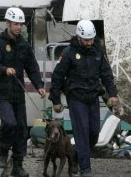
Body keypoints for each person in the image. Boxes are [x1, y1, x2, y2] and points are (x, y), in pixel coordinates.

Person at [49, 20, 118, 176]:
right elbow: (57, 77)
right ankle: (85, 169)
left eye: (92, 39)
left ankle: (75, 156)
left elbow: (106, 74)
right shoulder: (69, 53)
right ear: (79, 37)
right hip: (76, 98)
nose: (90, 42)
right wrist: (56, 100)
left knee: (94, 133)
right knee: (81, 132)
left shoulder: (98, 52)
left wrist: (112, 94)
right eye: (86, 40)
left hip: (93, 97)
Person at [0, 7, 45, 177]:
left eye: (21, 24)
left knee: (21, 129)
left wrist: (39, 85)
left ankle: (18, 165)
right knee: (9, 123)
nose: (19, 27)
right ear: (8, 23)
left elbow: (32, 68)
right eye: (16, 24)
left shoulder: (24, 45)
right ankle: (4, 152)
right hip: (1, 92)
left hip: (18, 93)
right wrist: (4, 69)